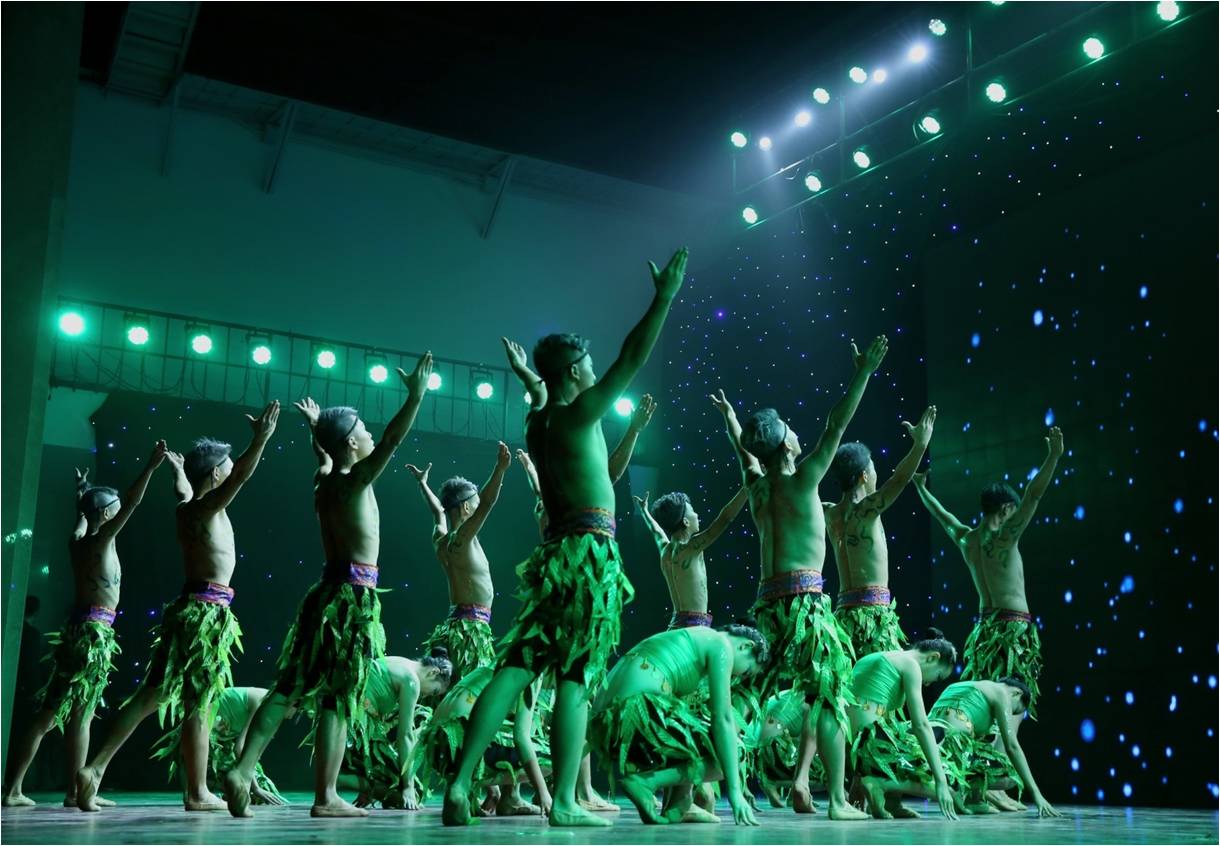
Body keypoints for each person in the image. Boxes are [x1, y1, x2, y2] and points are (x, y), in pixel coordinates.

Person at [442, 248, 688, 827]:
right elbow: (631, 357)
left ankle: (459, 784)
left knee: (517, 666)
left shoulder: (540, 421)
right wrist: (663, 299)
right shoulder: (578, 415)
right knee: (576, 676)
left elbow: (541, 388)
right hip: (586, 557)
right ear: (575, 370)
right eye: (587, 362)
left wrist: (528, 374)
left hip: (554, 556)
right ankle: (567, 803)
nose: (596, 368)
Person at [223, 354, 433, 818]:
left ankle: (242, 769)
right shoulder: (356, 480)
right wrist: (416, 396)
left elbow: (323, 456)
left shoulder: (325, 481)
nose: (371, 433)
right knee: (338, 697)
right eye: (363, 429)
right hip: (350, 600)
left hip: (324, 596)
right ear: (352, 442)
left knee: (289, 687)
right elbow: (393, 440)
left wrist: (315, 428)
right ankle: (326, 797)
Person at [713, 334, 889, 819]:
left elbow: (744, 454)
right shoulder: (804, 477)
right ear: (788, 443)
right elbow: (836, 424)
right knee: (829, 695)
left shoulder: (757, 487)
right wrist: (863, 373)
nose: (797, 432)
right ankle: (837, 800)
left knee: (747, 693)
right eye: (791, 429)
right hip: (805, 605)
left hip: (767, 606)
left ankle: (703, 788)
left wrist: (732, 420)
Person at [78, 403, 280, 812]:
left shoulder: (188, 507)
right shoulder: (208, 507)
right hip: (205, 613)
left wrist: (177, 471)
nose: (230, 470)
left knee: (149, 696)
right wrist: (260, 439)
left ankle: (94, 769)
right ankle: (197, 792)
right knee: (199, 701)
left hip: (187, 609)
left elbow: (185, 490)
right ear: (217, 474)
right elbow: (241, 475)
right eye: (225, 466)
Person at [3, 444, 168, 808]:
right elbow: (132, 502)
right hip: (91, 634)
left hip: (81, 631)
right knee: (68, 714)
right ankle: (44, 791)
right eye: (113, 508)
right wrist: (150, 467)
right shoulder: (102, 540)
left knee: (67, 713)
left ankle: (60, 790)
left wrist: (82, 490)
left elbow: (83, 513)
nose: (119, 511)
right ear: (106, 513)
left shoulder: (77, 540)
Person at [912, 426, 1064, 718]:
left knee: (986, 704)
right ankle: (1006, 746)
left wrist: (921, 488)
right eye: (1014, 511)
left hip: (984, 632)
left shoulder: (967, 540)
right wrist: (1054, 457)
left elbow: (941, 515)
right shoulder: (1006, 537)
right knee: (1013, 703)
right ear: (1007, 509)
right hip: (1013, 630)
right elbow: (1033, 495)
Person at [588, 624, 767, 826]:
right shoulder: (721, 644)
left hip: (604, 727)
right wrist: (735, 793)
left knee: (694, 729)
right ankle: (645, 783)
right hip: (633, 716)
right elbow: (723, 719)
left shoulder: (696, 639)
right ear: (746, 646)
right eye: (747, 671)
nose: (739, 677)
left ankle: (676, 805)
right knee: (735, 750)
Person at [860, 677, 1062, 818]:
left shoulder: (960, 685)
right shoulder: (1001, 692)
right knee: (1008, 775)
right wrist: (1037, 795)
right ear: (1017, 693)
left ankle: (893, 801)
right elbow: (1012, 747)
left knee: (927, 767)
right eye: (1015, 709)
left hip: (926, 737)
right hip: (949, 742)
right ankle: (883, 784)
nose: (1009, 713)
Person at [825, 407, 936, 657]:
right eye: (874, 468)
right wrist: (920, 444)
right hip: (872, 619)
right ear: (864, 476)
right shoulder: (866, 510)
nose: (877, 474)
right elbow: (899, 479)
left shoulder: (829, 513)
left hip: (842, 617)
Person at [406, 442, 511, 681]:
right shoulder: (462, 540)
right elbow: (487, 502)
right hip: (470, 631)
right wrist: (500, 469)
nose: (478, 507)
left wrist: (423, 484)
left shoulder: (440, 540)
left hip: (455, 627)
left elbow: (438, 512)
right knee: (470, 693)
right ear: (465, 507)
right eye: (474, 504)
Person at [829, 631, 961, 821]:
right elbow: (921, 725)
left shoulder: (880, 656)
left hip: (848, 746)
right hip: (871, 744)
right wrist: (940, 781)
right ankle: (879, 783)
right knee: (952, 784)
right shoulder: (910, 665)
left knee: (901, 733)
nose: (929, 683)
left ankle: (891, 801)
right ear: (933, 657)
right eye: (938, 676)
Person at [415, 665, 553, 817]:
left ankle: (510, 797)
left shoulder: (495, 666)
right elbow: (521, 738)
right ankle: (507, 798)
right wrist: (544, 794)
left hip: (438, 753)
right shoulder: (531, 672)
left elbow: (479, 720)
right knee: (554, 757)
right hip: (456, 748)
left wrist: (493, 791)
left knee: (506, 724)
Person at [339, 651, 453, 809]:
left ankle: (348, 781)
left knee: (395, 783)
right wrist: (408, 787)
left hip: (349, 719)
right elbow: (405, 736)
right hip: (353, 726)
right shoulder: (411, 681)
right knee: (405, 796)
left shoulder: (400, 661)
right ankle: (335, 779)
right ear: (433, 672)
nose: (428, 696)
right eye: (434, 691)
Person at [634, 486, 749, 629]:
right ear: (686, 522)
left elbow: (655, 530)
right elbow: (725, 518)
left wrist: (644, 511)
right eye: (693, 511)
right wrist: (746, 489)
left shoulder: (665, 551)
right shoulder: (691, 548)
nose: (697, 514)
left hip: (675, 625)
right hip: (694, 627)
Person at [155, 687, 291, 806]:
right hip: (204, 727)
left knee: (262, 788)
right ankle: (191, 793)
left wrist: (255, 786)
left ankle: (219, 791)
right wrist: (255, 788)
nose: (292, 717)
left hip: (224, 737)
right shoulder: (263, 703)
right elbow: (241, 748)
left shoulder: (273, 704)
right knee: (251, 787)